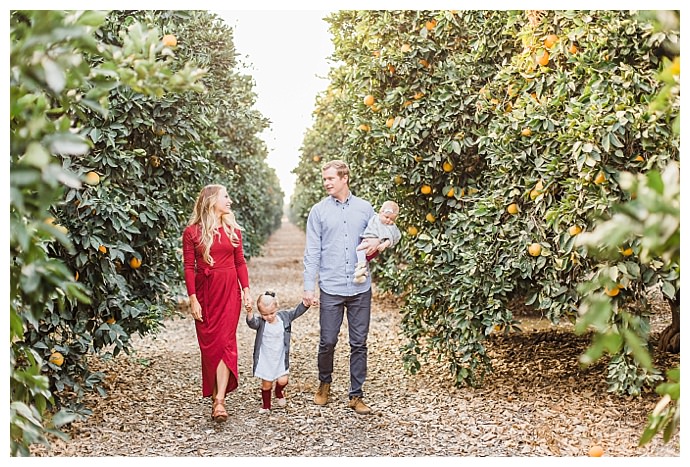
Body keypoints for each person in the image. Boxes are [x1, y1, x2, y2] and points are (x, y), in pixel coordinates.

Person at [303, 159, 380, 415]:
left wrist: (378, 246)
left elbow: (378, 237)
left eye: (330, 178)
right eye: (324, 179)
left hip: (360, 287)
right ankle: (324, 383)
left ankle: (356, 395)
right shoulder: (318, 211)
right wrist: (308, 287)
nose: (326, 183)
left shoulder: (365, 208)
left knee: (359, 342)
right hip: (331, 286)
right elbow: (312, 251)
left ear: (344, 178)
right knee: (327, 341)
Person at [182, 184, 252, 423]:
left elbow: (240, 262)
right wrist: (192, 298)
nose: (229, 201)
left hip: (229, 291)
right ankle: (215, 395)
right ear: (212, 200)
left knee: (225, 343)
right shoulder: (192, 232)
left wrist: (246, 290)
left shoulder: (233, 230)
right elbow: (189, 267)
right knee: (210, 347)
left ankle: (220, 400)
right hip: (205, 293)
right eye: (226, 196)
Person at [246, 291, 312, 414]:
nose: (269, 317)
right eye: (265, 314)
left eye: (272, 313)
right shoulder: (261, 322)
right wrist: (249, 312)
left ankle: (278, 391)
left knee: (283, 380)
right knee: (266, 384)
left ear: (277, 307)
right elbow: (251, 323)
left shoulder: (284, 317)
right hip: (266, 358)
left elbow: (296, 312)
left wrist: (305, 304)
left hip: (280, 356)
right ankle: (266, 405)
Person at [353, 200, 401, 284]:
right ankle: (361, 273)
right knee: (361, 251)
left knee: (360, 249)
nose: (389, 221)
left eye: (392, 219)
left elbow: (392, 238)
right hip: (366, 240)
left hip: (375, 246)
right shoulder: (375, 218)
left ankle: (361, 266)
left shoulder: (391, 227)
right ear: (380, 212)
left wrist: (384, 245)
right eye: (386, 217)